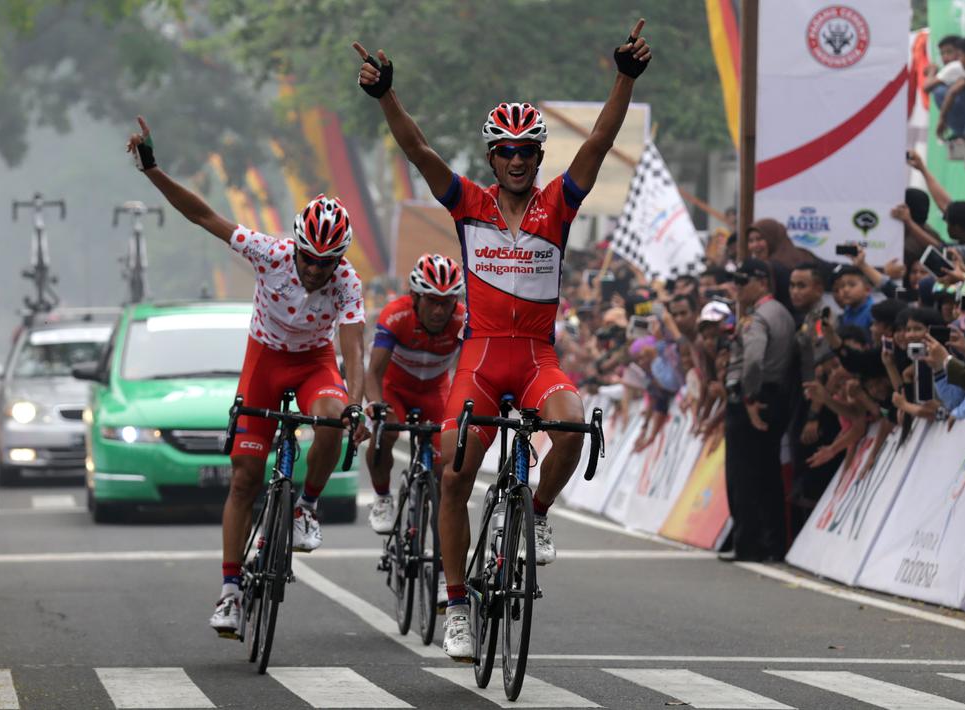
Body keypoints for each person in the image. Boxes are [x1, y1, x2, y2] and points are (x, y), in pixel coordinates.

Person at [355, 18, 650, 661]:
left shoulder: (558, 205)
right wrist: (385, 97)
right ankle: (457, 604)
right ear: (492, 157)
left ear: (538, 158)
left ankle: (537, 511)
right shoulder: (467, 205)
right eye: (506, 151)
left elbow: (599, 141)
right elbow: (419, 150)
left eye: (527, 151)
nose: (517, 160)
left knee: (571, 427)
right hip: (482, 361)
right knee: (454, 470)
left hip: (538, 357)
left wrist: (623, 80)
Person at [124, 117, 367, 638]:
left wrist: (359, 405)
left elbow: (354, 348)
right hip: (265, 360)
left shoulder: (347, 280)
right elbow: (202, 215)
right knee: (244, 479)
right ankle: (231, 591)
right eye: (310, 259)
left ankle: (307, 507)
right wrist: (152, 170)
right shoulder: (270, 252)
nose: (316, 272)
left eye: (328, 263)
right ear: (295, 246)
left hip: (314, 363)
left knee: (333, 416)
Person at [361, 254, 465, 539]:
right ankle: (382, 496)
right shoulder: (396, 315)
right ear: (415, 297)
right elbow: (373, 373)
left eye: (446, 302)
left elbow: (468, 373)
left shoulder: (462, 320)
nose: (439, 310)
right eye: (431, 300)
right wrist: (374, 406)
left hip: (435, 392)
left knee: (446, 472)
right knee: (386, 433)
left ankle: (444, 564)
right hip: (395, 390)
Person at [721, 259, 795, 563]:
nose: (737, 288)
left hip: (754, 399)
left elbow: (752, 360)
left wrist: (749, 398)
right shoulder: (782, 314)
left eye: (742, 281)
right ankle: (773, 543)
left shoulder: (758, 317)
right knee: (767, 475)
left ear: (762, 281)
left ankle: (748, 544)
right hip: (777, 396)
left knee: (743, 476)